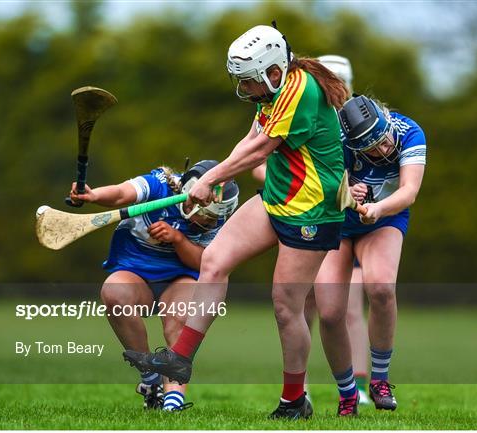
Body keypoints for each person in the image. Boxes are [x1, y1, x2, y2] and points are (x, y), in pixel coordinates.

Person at [124, 23, 359, 418]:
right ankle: (180, 360)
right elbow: (250, 139)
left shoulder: (300, 92)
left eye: (249, 81)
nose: (245, 89)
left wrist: (212, 178)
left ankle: (294, 401)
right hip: (277, 198)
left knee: (287, 306)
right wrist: (216, 177)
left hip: (314, 211)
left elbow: (262, 150)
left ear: (273, 70)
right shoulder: (272, 87)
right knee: (214, 260)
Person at [69, 160, 239, 411]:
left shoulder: (222, 221)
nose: (213, 222)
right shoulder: (160, 184)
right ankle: (150, 379)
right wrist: (94, 196)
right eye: (208, 215)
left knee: (180, 318)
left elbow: (207, 265)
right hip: (136, 274)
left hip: (182, 278)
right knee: (114, 294)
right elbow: (121, 194)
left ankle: (173, 401)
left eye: (217, 216)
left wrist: (178, 239)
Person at [252, 54, 372, 406]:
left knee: (342, 310)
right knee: (298, 305)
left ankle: (356, 390)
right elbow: (264, 167)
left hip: (347, 224)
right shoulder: (300, 108)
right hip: (305, 215)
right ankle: (298, 390)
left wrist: (358, 192)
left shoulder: (358, 123)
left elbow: (377, 173)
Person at [321, 95, 427, 411]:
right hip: (338, 223)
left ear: (385, 121)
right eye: (371, 148)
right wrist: (345, 190)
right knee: (329, 313)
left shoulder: (409, 132)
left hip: (384, 218)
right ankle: (348, 393)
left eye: (383, 141)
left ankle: (379, 380)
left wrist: (377, 209)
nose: (382, 150)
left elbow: (409, 191)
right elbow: (321, 184)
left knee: (381, 289)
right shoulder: (337, 139)